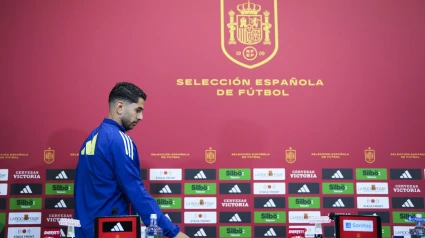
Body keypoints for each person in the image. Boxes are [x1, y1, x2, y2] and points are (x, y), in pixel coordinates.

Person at [74, 82, 189, 238]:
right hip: (111, 231)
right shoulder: (119, 140)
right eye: (138, 110)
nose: (141, 117)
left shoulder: (91, 138)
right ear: (120, 107)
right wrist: (172, 232)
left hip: (84, 231)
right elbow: (136, 191)